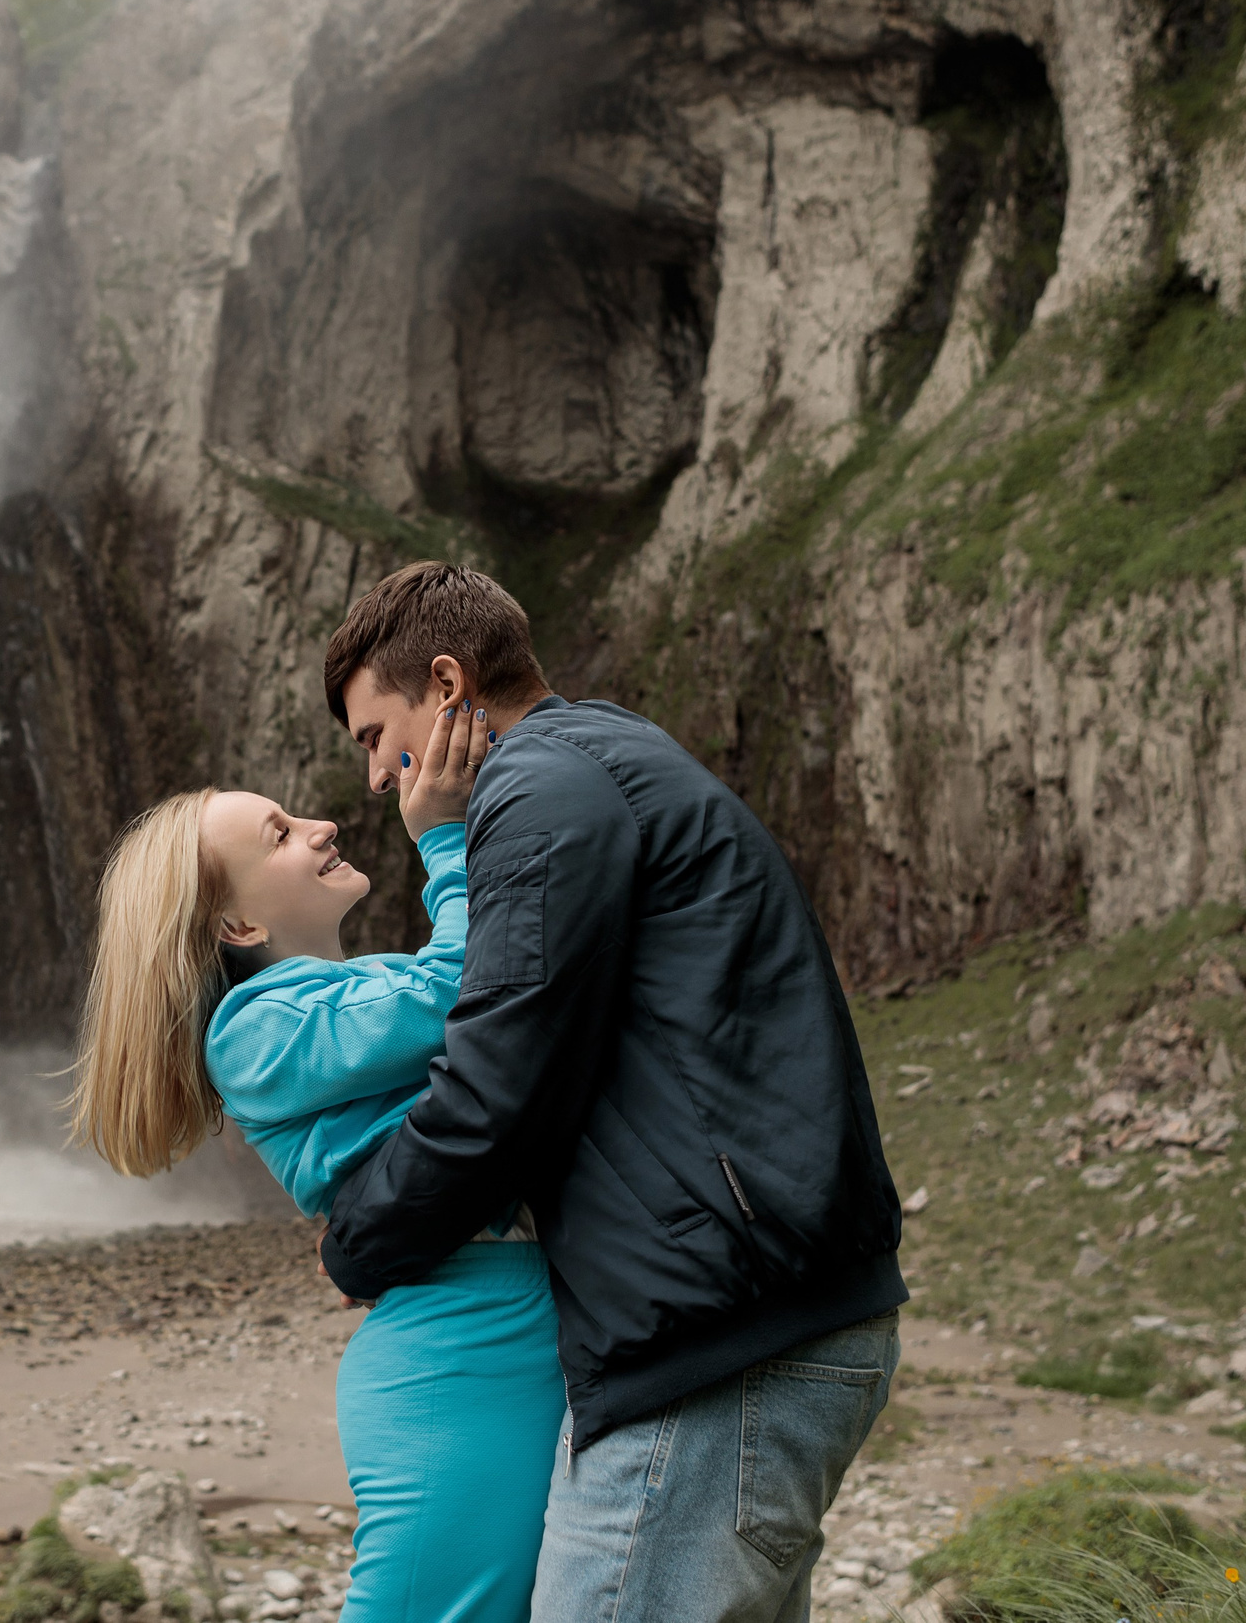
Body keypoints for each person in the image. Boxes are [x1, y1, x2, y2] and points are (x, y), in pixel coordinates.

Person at [315, 561, 906, 1623]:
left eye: (372, 736)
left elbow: (502, 1079)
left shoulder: (541, 789)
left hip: (717, 1355)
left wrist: (355, 1238)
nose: (372, 779)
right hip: (761, 1327)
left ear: (447, 686)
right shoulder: (605, 756)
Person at [69, 700, 563, 1623]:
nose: (323, 823)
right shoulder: (254, 1031)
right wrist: (445, 842)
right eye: (282, 833)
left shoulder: (353, 987)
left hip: (507, 1323)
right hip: (455, 1350)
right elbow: (473, 991)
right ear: (239, 924)